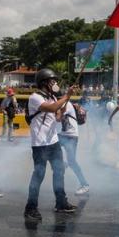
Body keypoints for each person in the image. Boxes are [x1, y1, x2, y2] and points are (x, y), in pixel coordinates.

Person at [24, 68, 78, 221]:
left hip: (53, 142)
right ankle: (30, 207)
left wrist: (64, 103)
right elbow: (51, 108)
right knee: (39, 174)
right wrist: (66, 96)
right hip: (40, 144)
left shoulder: (53, 97)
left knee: (59, 171)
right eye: (52, 81)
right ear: (44, 83)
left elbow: (57, 117)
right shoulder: (35, 97)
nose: (55, 83)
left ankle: (61, 203)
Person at [58, 98, 90, 195]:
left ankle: (85, 185)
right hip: (64, 134)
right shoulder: (64, 104)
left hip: (71, 136)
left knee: (72, 161)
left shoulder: (66, 104)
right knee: (50, 147)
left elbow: (58, 116)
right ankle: (64, 163)